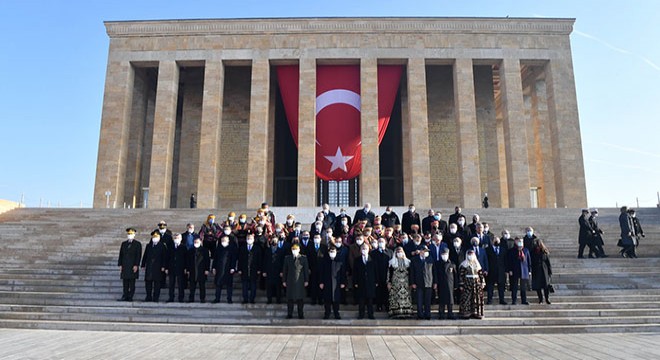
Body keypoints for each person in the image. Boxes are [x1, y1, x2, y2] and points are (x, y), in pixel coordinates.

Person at [282, 244, 309, 319]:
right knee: (290, 299)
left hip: (300, 281)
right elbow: (285, 270)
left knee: (300, 299)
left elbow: (306, 270)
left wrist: (306, 280)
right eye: (293, 249)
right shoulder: (287, 258)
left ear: (299, 249)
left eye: (296, 249)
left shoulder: (303, 258)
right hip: (290, 281)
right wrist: (284, 280)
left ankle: (300, 314)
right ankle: (289, 314)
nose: (294, 250)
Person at [320, 246, 346, 319]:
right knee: (327, 300)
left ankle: (336, 313)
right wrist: (321, 282)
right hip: (327, 282)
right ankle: (327, 314)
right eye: (331, 252)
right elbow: (321, 272)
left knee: (336, 300)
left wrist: (343, 282)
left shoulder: (339, 261)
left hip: (336, 283)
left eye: (333, 252)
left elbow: (342, 273)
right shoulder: (325, 261)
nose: (332, 253)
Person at [458, 249, 485, 319]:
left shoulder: (477, 264)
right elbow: (461, 275)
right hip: (467, 283)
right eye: (469, 254)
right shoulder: (464, 264)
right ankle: (466, 313)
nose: (470, 256)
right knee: (467, 298)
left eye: (472, 254)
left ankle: (477, 313)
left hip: (476, 283)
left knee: (477, 298)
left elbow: (481, 274)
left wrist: (482, 282)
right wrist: (461, 284)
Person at [387, 247, 413, 318]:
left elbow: (411, 273)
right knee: (395, 299)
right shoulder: (391, 262)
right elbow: (389, 273)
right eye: (398, 251)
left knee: (406, 298)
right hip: (395, 283)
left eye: (401, 251)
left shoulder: (408, 262)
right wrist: (388, 282)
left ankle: (406, 313)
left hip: (405, 283)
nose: (399, 253)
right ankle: (396, 313)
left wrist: (411, 283)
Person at [141, 232, 167, 302]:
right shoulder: (148, 246)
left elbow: (164, 257)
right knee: (148, 282)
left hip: (158, 266)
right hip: (149, 266)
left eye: (156, 237)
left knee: (157, 283)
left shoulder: (162, 246)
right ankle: (148, 296)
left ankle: (156, 297)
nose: (154, 238)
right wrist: (143, 264)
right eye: (153, 237)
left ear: (159, 238)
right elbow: (145, 256)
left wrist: (164, 266)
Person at [354, 243, 377, 319]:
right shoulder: (357, 260)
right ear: (360, 250)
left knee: (370, 300)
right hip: (361, 282)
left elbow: (375, 271)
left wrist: (376, 281)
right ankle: (361, 314)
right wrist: (355, 282)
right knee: (361, 300)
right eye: (363, 248)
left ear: (368, 249)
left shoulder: (372, 259)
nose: (364, 250)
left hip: (370, 282)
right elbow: (355, 272)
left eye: (365, 248)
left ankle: (371, 314)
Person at [411, 246, 435, 320]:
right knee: (419, 300)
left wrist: (435, 282)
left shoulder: (430, 259)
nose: (425, 252)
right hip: (419, 282)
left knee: (427, 300)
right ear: (420, 251)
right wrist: (413, 282)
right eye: (424, 251)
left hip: (428, 282)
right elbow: (412, 272)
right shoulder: (415, 260)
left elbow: (434, 272)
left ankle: (427, 314)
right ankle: (420, 314)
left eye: (426, 251)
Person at [117, 228, 142, 302]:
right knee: (125, 282)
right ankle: (125, 295)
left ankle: (130, 296)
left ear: (134, 235)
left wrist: (136, 265)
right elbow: (121, 254)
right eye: (129, 234)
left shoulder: (137, 244)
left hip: (132, 266)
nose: (130, 235)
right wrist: (120, 264)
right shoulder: (124, 244)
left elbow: (138, 255)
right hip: (125, 265)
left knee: (131, 283)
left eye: (131, 234)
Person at [212, 236, 237, 304]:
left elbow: (233, 259)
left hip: (228, 269)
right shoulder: (219, 248)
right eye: (222, 240)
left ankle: (229, 299)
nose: (223, 241)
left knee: (229, 285)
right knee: (218, 284)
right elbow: (215, 258)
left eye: (225, 240)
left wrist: (233, 267)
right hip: (219, 269)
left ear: (228, 241)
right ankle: (217, 298)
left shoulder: (231, 248)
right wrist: (213, 268)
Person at [238, 234, 262, 304]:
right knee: (244, 285)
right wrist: (239, 269)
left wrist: (259, 269)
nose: (249, 239)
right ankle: (245, 299)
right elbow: (240, 259)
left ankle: (252, 299)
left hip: (254, 269)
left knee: (253, 285)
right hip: (244, 269)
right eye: (248, 238)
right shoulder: (242, 248)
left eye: (251, 238)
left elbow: (259, 259)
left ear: (253, 240)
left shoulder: (257, 248)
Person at [507, 237, 531, 305]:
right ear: (515, 242)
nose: (520, 242)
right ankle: (514, 300)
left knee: (523, 287)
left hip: (524, 270)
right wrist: (510, 270)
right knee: (514, 286)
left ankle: (524, 300)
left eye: (521, 241)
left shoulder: (526, 250)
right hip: (515, 270)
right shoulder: (512, 250)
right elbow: (509, 261)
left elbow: (528, 261)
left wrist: (529, 270)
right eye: (518, 241)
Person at [185, 237, 210, 303]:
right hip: (192, 270)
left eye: (197, 242)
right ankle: (191, 298)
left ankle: (202, 298)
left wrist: (207, 269)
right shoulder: (190, 250)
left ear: (200, 242)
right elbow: (187, 261)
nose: (196, 243)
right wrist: (188, 269)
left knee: (202, 286)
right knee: (192, 286)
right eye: (195, 242)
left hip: (202, 270)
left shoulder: (205, 250)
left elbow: (207, 260)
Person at [435, 248, 457, 319]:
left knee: (450, 299)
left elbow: (455, 275)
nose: (444, 256)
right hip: (441, 284)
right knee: (441, 299)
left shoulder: (452, 263)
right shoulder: (437, 264)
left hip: (450, 284)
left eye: (446, 254)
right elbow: (435, 274)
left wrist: (456, 284)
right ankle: (441, 313)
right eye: (443, 254)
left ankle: (450, 313)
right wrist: (436, 283)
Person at [263, 236, 286, 304]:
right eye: (273, 241)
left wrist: (282, 271)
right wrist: (264, 271)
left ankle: (278, 299)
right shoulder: (267, 250)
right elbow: (264, 261)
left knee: (278, 287)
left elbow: (283, 262)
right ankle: (269, 299)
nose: (274, 242)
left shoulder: (281, 250)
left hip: (278, 271)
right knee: (269, 286)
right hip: (269, 271)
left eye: (275, 241)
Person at [485, 236, 508, 305]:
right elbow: (486, 260)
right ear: (492, 241)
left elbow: (505, 261)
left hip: (501, 271)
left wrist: (506, 270)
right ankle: (489, 300)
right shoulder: (488, 250)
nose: (496, 242)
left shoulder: (503, 249)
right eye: (495, 241)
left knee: (501, 287)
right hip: (491, 271)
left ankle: (502, 300)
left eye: (498, 241)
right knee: (490, 287)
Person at [165, 233, 187, 303]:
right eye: (175, 238)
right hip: (171, 268)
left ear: (181, 239)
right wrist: (166, 267)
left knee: (181, 284)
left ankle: (181, 297)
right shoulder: (170, 247)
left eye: (177, 238)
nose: (176, 239)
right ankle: (171, 297)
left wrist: (186, 268)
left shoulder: (183, 247)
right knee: (171, 284)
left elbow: (186, 258)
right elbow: (167, 258)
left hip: (180, 268)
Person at [372, 238, 392, 312]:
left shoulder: (390, 252)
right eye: (379, 241)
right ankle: (379, 306)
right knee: (378, 292)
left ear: (385, 242)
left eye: (382, 241)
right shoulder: (373, 253)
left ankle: (387, 306)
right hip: (377, 275)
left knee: (387, 292)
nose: (381, 243)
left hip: (386, 274)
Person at [531, 239, 553, 305]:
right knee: (538, 286)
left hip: (544, 271)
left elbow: (548, 263)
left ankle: (547, 298)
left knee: (546, 286)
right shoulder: (532, 252)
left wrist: (550, 272)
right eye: (536, 245)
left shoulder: (544, 252)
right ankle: (540, 299)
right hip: (536, 271)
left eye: (538, 245)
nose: (537, 246)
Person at [306, 233, 326, 305]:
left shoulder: (324, 247)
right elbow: (307, 258)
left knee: (321, 284)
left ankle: (320, 300)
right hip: (312, 269)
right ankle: (313, 299)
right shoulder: (309, 247)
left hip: (321, 269)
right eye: (315, 238)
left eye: (318, 238)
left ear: (320, 239)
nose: (316, 239)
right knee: (313, 284)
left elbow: (325, 259)